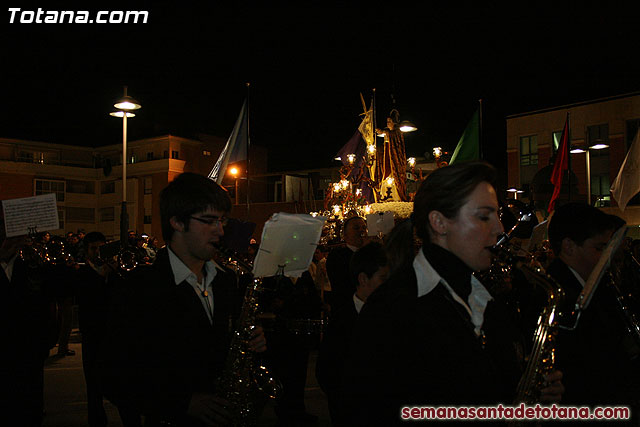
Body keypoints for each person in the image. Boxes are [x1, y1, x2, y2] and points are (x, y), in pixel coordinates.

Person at [342, 161, 563, 425]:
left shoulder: (485, 299)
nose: (499, 229)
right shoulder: (392, 308)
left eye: (497, 215)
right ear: (439, 222)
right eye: (484, 216)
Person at [100, 172, 267, 426]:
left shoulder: (226, 281)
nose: (220, 231)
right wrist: (182, 402)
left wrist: (250, 341)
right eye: (209, 221)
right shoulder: (139, 287)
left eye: (222, 221)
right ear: (177, 222)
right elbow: (114, 377)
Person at [547, 202, 640, 418]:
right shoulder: (558, 293)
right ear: (569, 246)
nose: (606, 258)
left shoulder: (594, 284)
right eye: (599, 249)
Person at [316, 242, 388, 426]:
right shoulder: (341, 321)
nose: (389, 286)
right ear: (363, 279)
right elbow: (327, 373)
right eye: (383, 278)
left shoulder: (394, 314)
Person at [325, 215, 368, 310]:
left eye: (364, 228)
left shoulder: (371, 253)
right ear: (345, 235)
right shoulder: (337, 256)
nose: (362, 231)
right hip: (346, 309)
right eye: (356, 228)